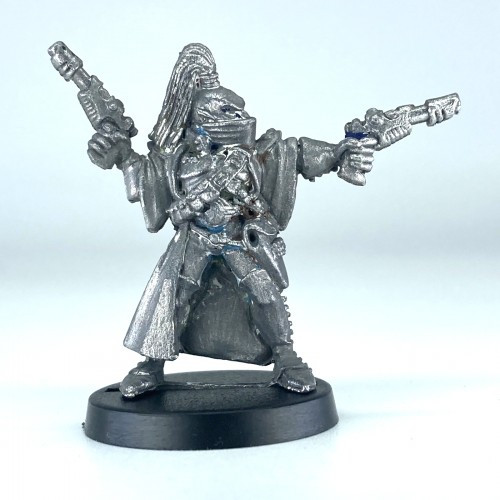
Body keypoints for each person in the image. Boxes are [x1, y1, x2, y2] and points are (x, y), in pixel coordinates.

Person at [87, 43, 376, 398]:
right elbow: (148, 184)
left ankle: (285, 356)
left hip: (239, 236)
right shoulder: (176, 159)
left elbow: (296, 153)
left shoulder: (249, 156)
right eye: (227, 113)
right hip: (195, 237)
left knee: (264, 291)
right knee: (176, 295)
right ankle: (152, 362)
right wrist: (120, 156)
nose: (240, 119)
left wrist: (338, 152)